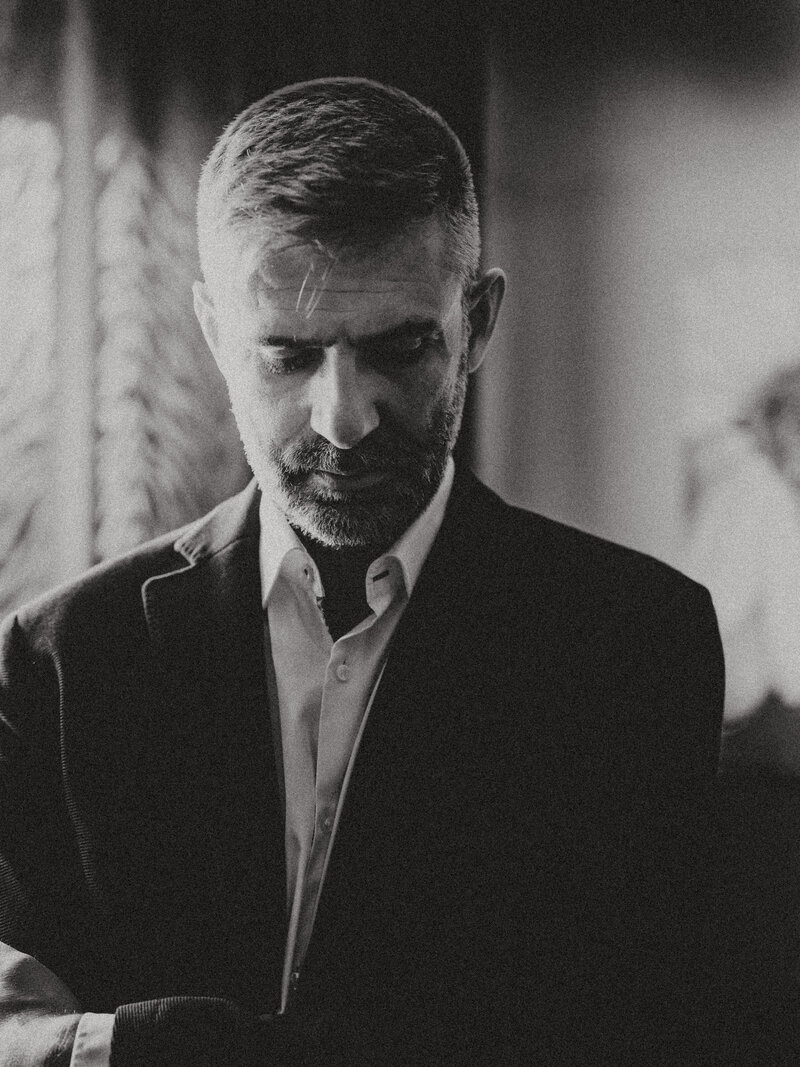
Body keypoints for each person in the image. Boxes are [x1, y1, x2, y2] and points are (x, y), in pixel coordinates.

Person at [0, 78, 723, 1066]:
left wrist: (132, 1043)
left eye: (400, 346)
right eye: (287, 354)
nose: (343, 417)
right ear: (215, 333)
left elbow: (619, 1024)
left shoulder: (632, 640)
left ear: (476, 319)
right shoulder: (62, 655)